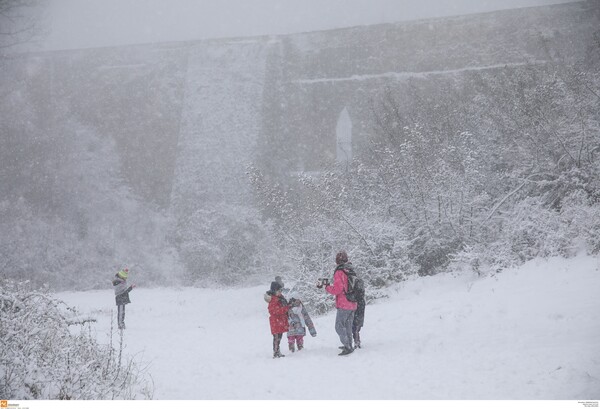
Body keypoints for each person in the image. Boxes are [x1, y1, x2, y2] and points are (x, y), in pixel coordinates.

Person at [320, 250, 357, 356]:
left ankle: (347, 346)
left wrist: (327, 287)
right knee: (348, 326)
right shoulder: (350, 270)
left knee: (339, 326)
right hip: (353, 302)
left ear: (337, 260)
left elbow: (338, 289)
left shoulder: (339, 272)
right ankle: (349, 344)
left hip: (344, 303)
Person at [265, 281, 290, 358]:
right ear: (274, 291)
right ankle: (276, 352)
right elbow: (274, 311)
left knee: (279, 337)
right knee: (276, 338)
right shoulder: (273, 300)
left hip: (280, 321)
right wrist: (286, 308)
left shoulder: (280, 298)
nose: (280, 292)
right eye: (278, 291)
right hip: (276, 322)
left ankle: (277, 351)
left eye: (280, 291)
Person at [352, 278, 366, 348]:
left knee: (355, 327)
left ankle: (356, 342)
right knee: (357, 327)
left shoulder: (356, 296)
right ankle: (357, 341)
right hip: (359, 312)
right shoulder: (361, 297)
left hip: (356, 311)